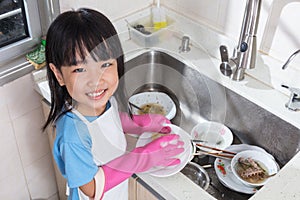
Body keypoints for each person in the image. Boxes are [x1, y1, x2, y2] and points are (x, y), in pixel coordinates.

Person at [43, 8, 184, 200]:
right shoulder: (72, 135)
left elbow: (110, 119)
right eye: (80, 69)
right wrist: (144, 157)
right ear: (58, 74)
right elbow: (92, 188)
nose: (96, 80)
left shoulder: (104, 97)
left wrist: (138, 124)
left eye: (105, 64)